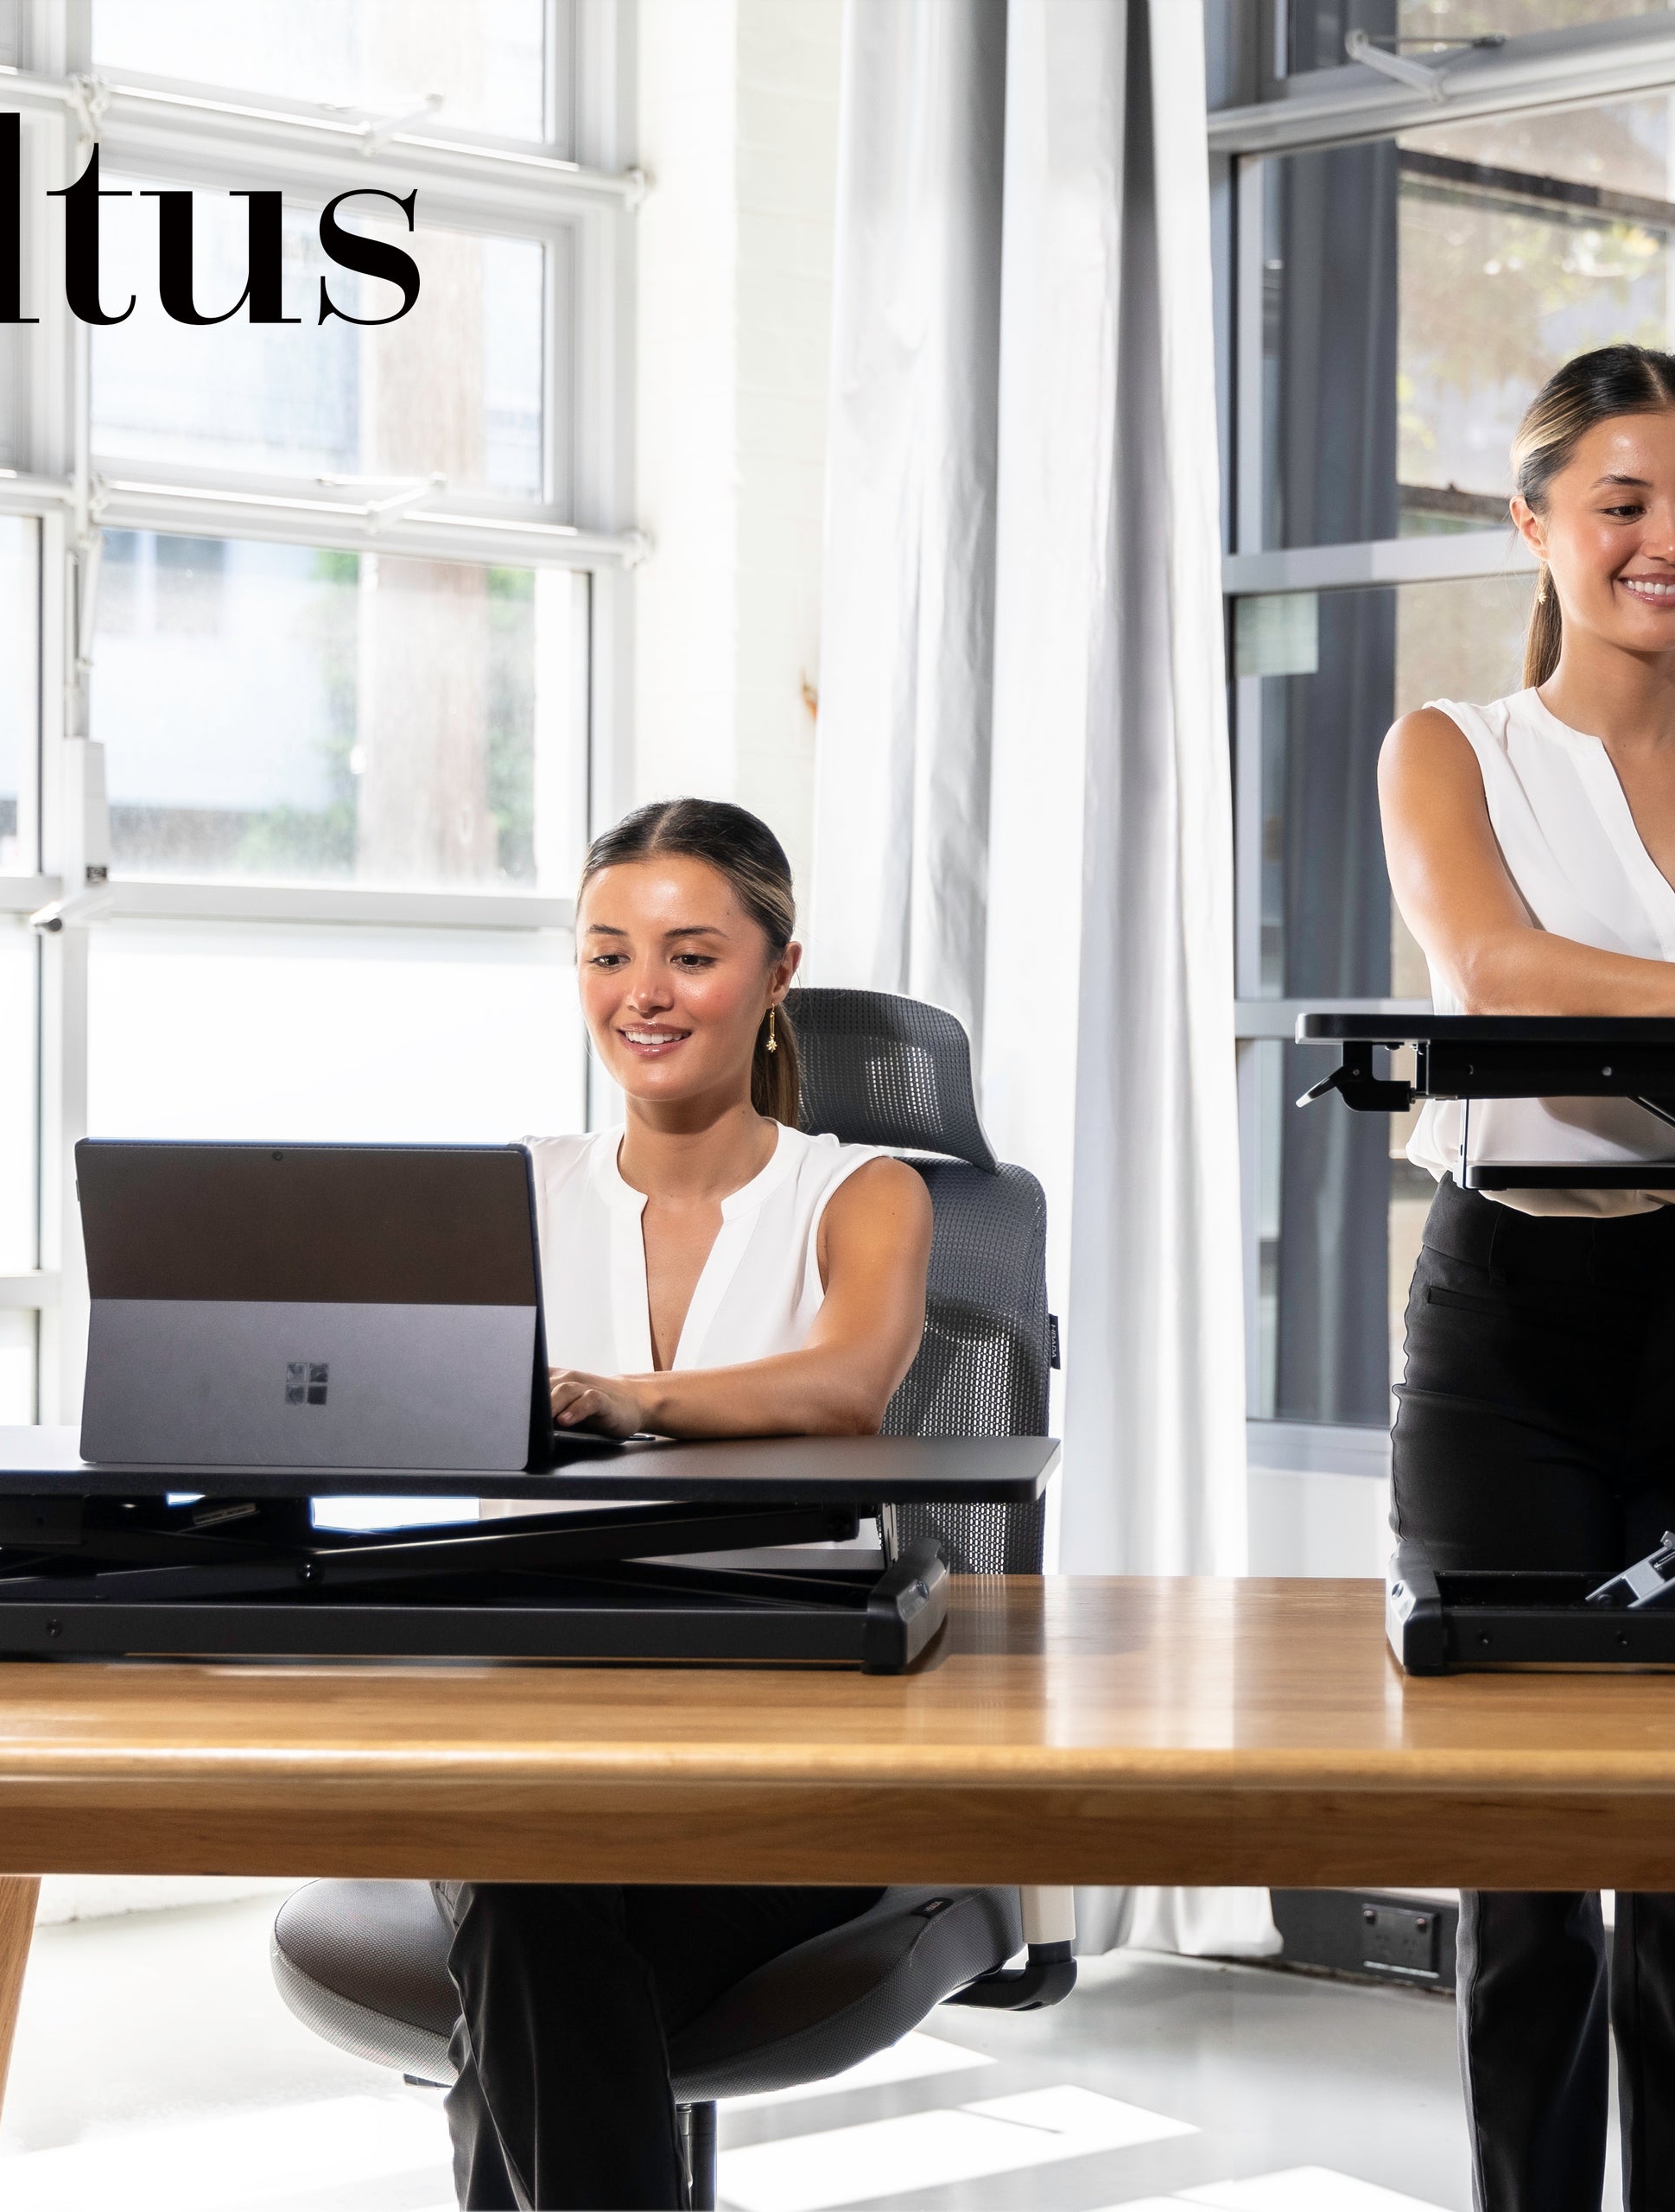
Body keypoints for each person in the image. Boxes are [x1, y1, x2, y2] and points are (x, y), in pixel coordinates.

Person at [1377, 344, 1675, 2212]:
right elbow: (1496, 973)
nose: (1670, 542)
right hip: (1512, 1345)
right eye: (1626, 502)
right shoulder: (1451, 748)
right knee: (1534, 1881)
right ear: (1537, 523)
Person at [439, 797, 935, 2210]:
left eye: (689, 955)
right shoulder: (511, 1193)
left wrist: (630, 1399)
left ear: (778, 972)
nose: (640, 995)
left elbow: (848, 1381)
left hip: (775, 1750)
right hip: (531, 1731)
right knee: (534, 1900)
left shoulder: (866, 1191)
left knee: (528, 1939)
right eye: (605, 955)